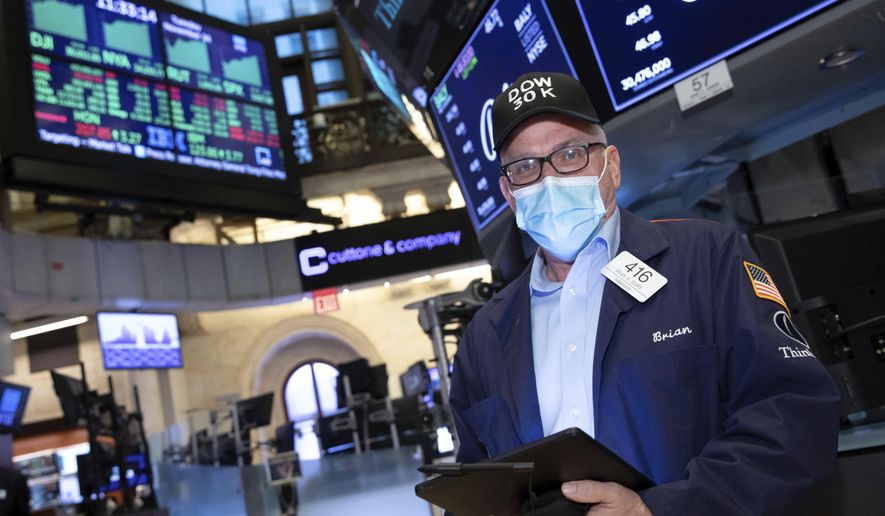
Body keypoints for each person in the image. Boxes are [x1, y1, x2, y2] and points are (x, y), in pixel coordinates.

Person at [448, 72, 841, 515]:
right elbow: (480, 488)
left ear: (610, 165)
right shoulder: (486, 336)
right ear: (508, 192)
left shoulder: (707, 259)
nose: (548, 180)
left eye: (571, 154)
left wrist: (660, 509)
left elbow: (795, 414)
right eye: (524, 167)